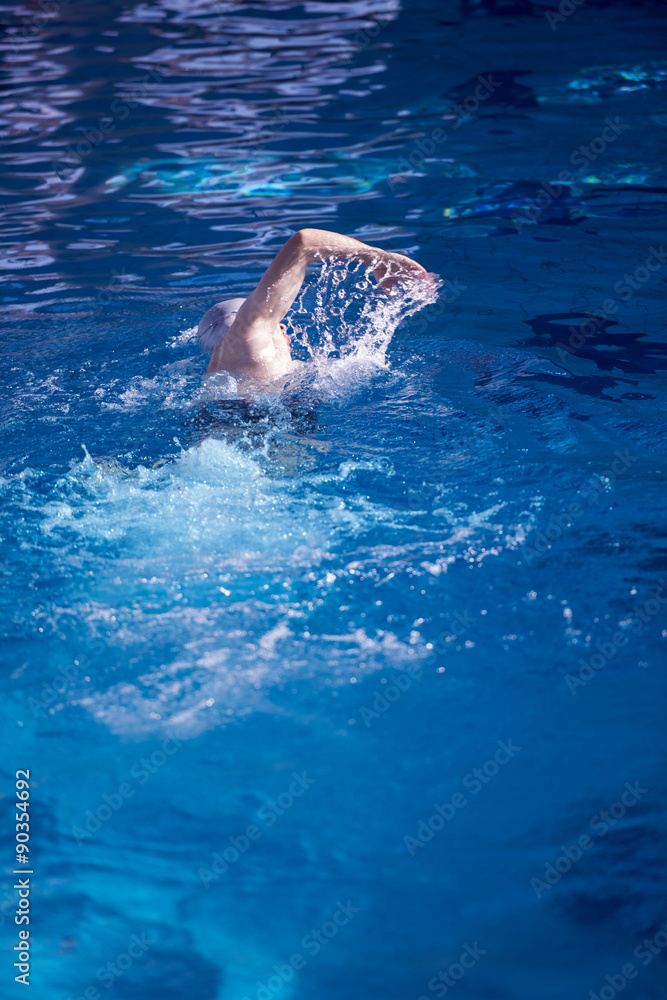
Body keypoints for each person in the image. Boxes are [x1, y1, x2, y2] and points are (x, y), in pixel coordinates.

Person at [197, 228, 433, 386]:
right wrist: (379, 257)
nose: (281, 324)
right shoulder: (249, 337)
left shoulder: (225, 369)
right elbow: (304, 243)